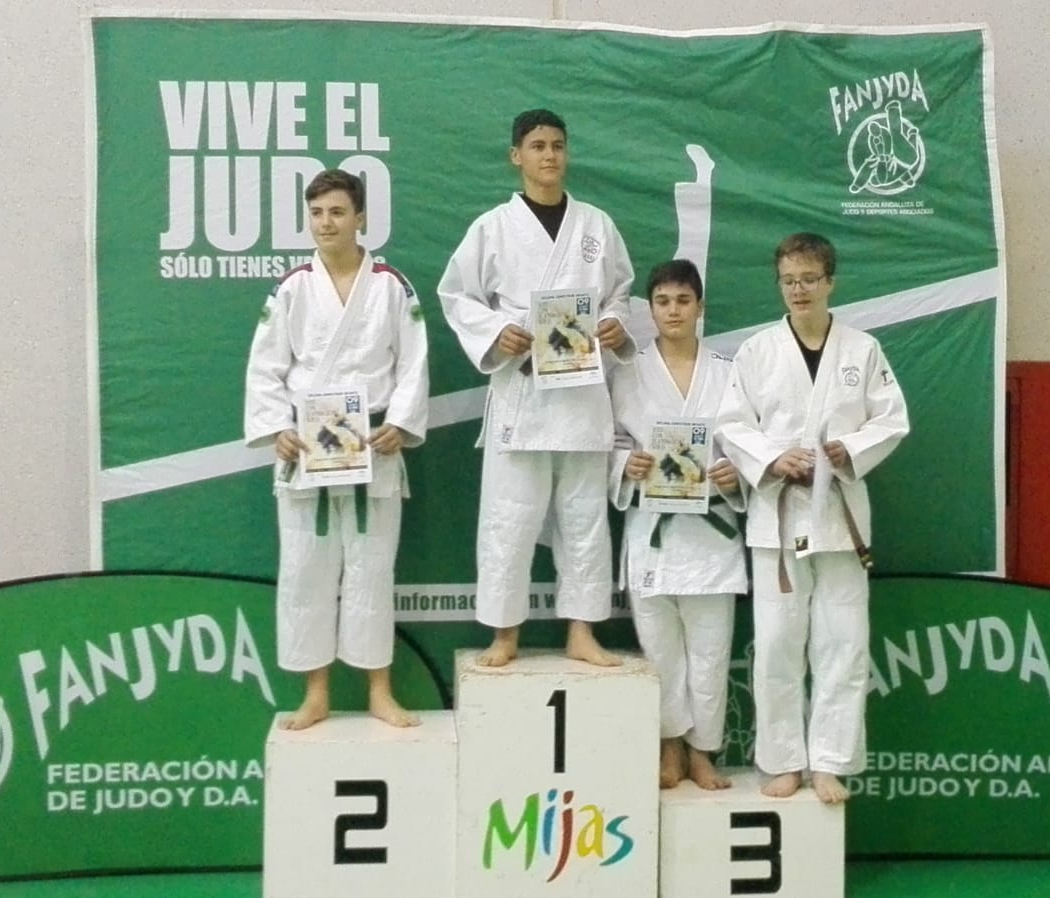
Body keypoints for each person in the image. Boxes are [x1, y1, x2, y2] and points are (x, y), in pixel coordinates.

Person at [438, 109, 637, 668]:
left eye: (557, 145)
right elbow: (457, 296)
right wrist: (496, 333)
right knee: (509, 519)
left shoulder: (597, 225)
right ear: (516, 156)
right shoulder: (492, 227)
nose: (549, 155)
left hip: (582, 396)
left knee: (584, 520)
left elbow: (620, 291)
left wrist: (614, 322)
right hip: (522, 397)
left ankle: (582, 631)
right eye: (537, 145)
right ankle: (504, 634)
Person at [717, 232, 909, 804]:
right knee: (777, 644)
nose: (798, 290)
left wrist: (849, 449)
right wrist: (773, 458)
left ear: (830, 282)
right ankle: (782, 760)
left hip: (840, 519)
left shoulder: (862, 350)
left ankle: (829, 761)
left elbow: (892, 420)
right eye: (789, 280)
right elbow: (732, 424)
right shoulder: (756, 351)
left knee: (843, 645)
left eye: (808, 279)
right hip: (777, 516)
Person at [243, 168, 430, 730]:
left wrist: (401, 423)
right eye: (317, 213)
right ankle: (316, 693)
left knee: (372, 570)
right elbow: (265, 368)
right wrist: (277, 428)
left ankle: (379, 690)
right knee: (306, 572)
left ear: (361, 217)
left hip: (373, 445)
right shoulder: (292, 288)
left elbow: (413, 363)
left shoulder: (393, 286)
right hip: (308, 448)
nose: (326, 223)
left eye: (338, 212)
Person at [609, 259, 745, 790]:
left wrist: (735, 473)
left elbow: (745, 444)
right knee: (660, 653)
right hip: (654, 533)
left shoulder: (729, 373)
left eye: (683, 301)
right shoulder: (628, 372)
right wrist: (625, 464)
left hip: (711, 535)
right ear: (650, 309)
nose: (673, 311)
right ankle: (669, 747)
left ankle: (703, 751)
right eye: (663, 302)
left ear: (700, 307)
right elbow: (610, 440)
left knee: (710, 654)